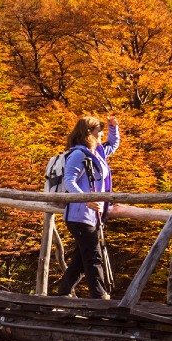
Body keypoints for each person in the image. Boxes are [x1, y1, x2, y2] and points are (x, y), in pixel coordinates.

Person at [56, 113, 121, 298]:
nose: (101, 135)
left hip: (92, 216)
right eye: (98, 131)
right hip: (79, 216)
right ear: (88, 133)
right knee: (93, 257)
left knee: (80, 259)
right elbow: (70, 181)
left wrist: (113, 127)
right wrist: (85, 199)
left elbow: (113, 145)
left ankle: (62, 294)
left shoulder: (97, 152)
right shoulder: (78, 154)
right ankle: (99, 298)